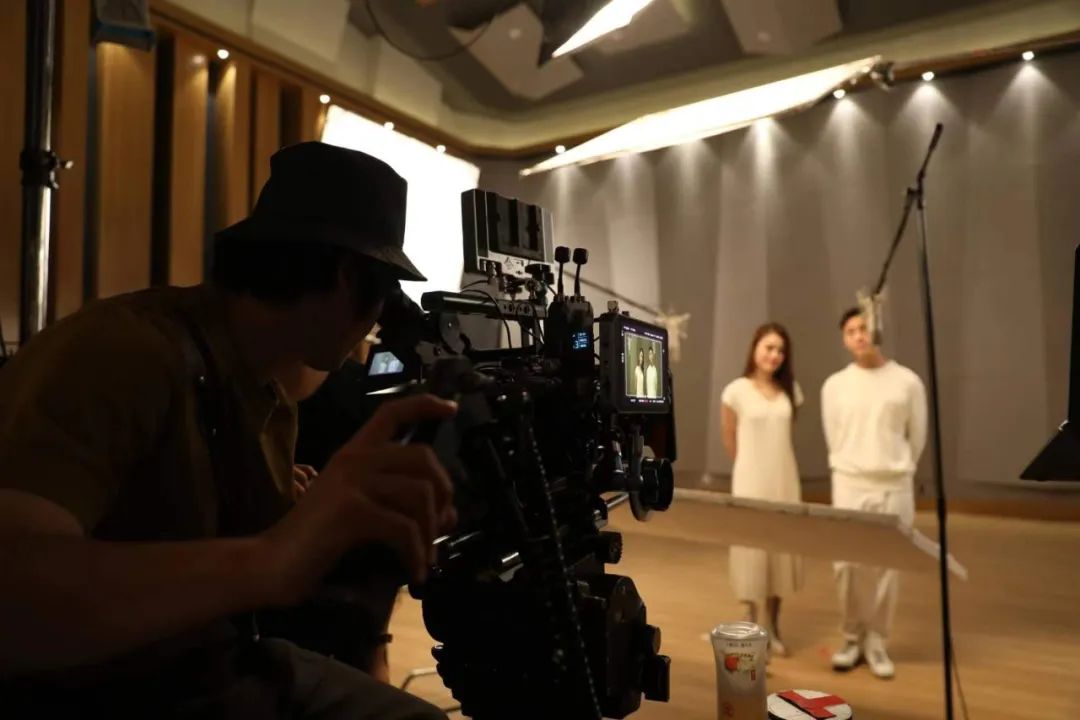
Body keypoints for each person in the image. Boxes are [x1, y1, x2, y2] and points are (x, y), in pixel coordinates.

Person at [0, 142, 454, 719]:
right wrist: (271, 556)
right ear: (346, 279)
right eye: (381, 297)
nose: (376, 326)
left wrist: (302, 516)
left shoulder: (263, 385)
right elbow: (13, 598)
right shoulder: (122, 355)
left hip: (204, 662)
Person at [821, 308, 927, 680]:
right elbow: (834, 435)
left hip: (893, 483)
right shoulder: (835, 385)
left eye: (864, 327)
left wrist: (897, 466)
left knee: (887, 565)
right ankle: (852, 637)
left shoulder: (907, 382)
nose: (859, 335)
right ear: (844, 339)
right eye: (851, 330)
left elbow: (917, 437)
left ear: (877, 331)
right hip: (850, 480)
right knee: (847, 564)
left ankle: (877, 641)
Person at [720, 323, 803, 656]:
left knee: (780, 548)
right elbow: (729, 437)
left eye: (781, 350)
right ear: (755, 348)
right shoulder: (735, 391)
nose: (775, 355)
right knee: (751, 548)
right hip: (750, 480)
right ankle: (751, 623)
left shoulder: (790, 391)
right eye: (769, 347)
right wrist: (748, 467)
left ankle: (774, 627)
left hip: (785, 479)